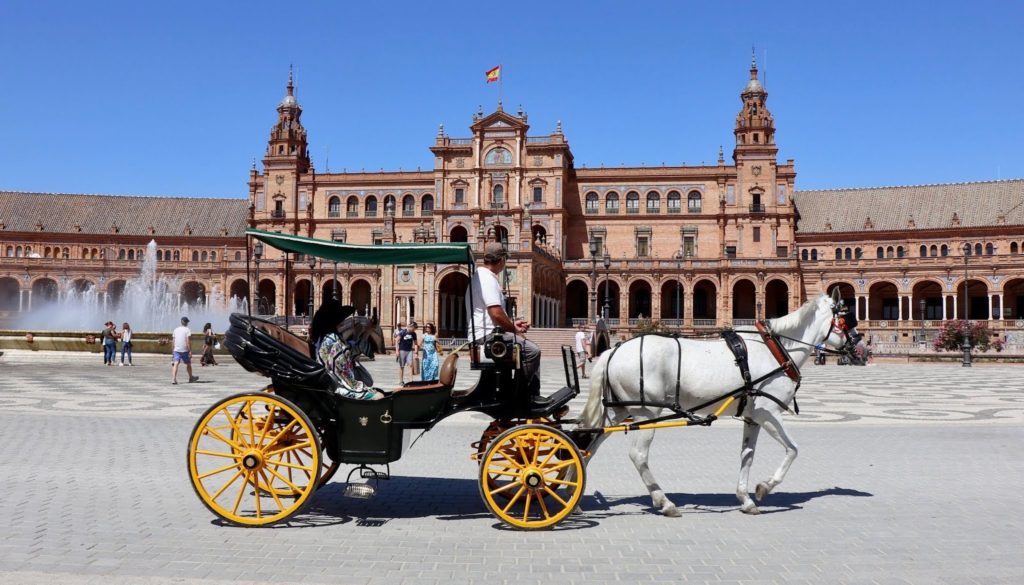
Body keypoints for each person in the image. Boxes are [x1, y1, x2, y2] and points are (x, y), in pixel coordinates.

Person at [466, 242, 541, 395]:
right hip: (486, 338)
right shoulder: (487, 279)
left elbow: (493, 314)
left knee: (526, 345)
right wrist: (514, 329)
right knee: (533, 351)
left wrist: (513, 325)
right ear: (501, 261)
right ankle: (519, 395)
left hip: (488, 334)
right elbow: (496, 313)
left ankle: (519, 392)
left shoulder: (480, 277)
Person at [311, 299, 384, 400]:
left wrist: (366, 331)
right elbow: (343, 371)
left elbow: (351, 351)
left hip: (334, 383)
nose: (345, 321)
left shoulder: (332, 337)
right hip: (336, 387)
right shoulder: (333, 340)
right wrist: (360, 387)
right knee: (379, 396)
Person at [171, 317, 198, 385]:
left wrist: (173, 350)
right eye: (187, 322)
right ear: (186, 322)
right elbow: (188, 341)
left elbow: (173, 341)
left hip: (176, 350)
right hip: (185, 350)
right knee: (188, 364)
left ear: (181, 322)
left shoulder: (176, 329)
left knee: (176, 363)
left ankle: (174, 379)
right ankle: (191, 378)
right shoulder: (187, 330)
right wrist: (190, 351)